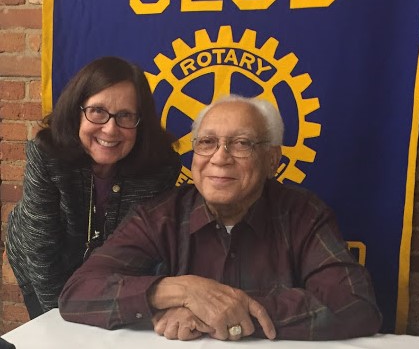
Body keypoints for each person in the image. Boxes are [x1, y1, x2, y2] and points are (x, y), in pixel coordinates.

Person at [58, 94, 382, 341]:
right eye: (207, 142)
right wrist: (181, 291)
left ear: (272, 160)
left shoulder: (304, 214)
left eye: (241, 144)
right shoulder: (159, 216)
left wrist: (219, 311)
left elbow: (355, 304)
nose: (219, 158)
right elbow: (78, 294)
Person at [6, 56, 181, 319]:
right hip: (42, 266)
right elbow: (41, 251)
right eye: (97, 111)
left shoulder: (161, 168)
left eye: (125, 115)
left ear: (141, 122)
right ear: (77, 112)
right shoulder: (47, 154)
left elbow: (145, 252)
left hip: (111, 275)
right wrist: (61, 320)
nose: (110, 129)